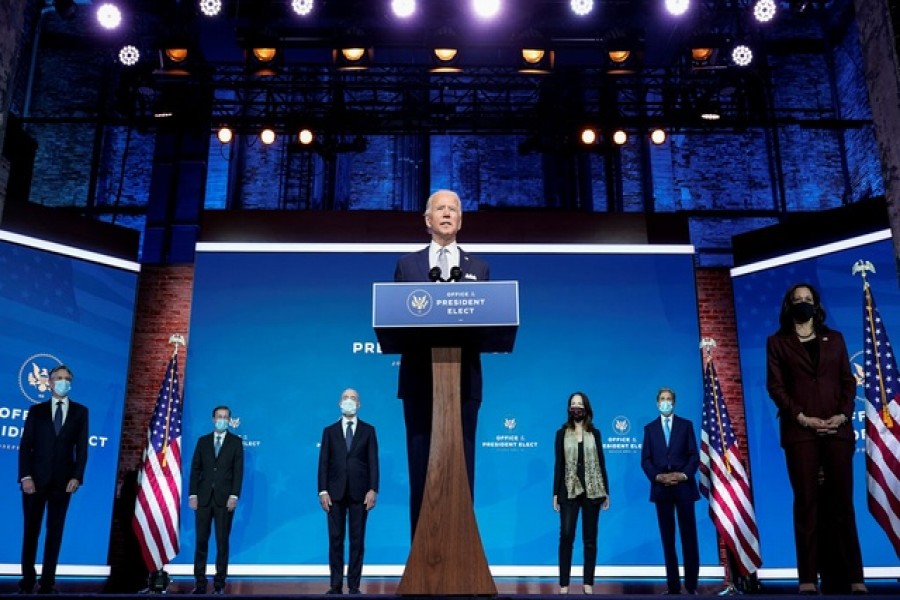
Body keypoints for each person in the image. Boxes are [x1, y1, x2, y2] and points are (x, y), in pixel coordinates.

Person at [393, 189, 490, 536]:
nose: (447, 214)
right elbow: (397, 323)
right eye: (440, 209)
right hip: (420, 384)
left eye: (454, 209)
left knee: (462, 472)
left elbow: (487, 326)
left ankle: (461, 556)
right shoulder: (408, 265)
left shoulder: (479, 268)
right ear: (427, 220)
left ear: (460, 220)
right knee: (422, 469)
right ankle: (420, 561)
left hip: (463, 385)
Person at [766, 283, 866, 595]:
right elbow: (776, 386)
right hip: (800, 433)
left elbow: (848, 382)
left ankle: (854, 577)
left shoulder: (834, 339)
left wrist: (842, 415)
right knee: (806, 504)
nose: (803, 304)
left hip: (837, 431)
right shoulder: (777, 342)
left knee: (842, 505)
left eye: (808, 299)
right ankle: (808, 578)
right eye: (798, 300)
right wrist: (802, 417)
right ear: (789, 305)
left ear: (816, 305)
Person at [17, 364, 89, 595]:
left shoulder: (80, 411)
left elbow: (82, 447)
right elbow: (25, 446)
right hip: (35, 482)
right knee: (31, 531)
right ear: (49, 382)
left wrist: (77, 476)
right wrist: (25, 476)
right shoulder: (36, 411)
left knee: (55, 532)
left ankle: (47, 583)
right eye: (59, 378)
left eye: (67, 379)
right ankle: (27, 581)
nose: (63, 382)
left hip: (63, 482)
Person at [317, 388, 379, 595]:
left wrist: (373, 489)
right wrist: (322, 491)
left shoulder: (369, 430)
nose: (349, 401)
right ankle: (335, 584)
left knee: (357, 540)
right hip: (334, 493)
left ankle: (354, 584)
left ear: (359, 404)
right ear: (339, 403)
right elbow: (323, 462)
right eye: (346, 398)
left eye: (353, 398)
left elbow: (373, 462)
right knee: (335, 539)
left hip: (360, 493)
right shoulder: (329, 431)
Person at [640, 388, 700, 595]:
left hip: (684, 487)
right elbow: (645, 460)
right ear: (657, 403)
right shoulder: (650, 429)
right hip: (661, 489)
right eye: (662, 399)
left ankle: (691, 586)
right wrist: (658, 477)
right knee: (668, 539)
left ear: (674, 403)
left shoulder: (686, 425)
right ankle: (673, 587)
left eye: (669, 399)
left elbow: (694, 456)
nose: (666, 402)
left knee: (688, 537)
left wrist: (682, 475)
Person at [552, 391, 610, 595]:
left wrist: (606, 492)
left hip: (593, 490)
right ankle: (564, 584)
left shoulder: (595, 434)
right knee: (566, 535)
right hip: (568, 489)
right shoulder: (561, 433)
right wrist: (555, 493)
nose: (576, 408)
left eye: (580, 404)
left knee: (590, 538)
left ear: (586, 408)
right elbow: (558, 464)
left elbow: (601, 463)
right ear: (569, 409)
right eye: (573, 404)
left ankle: (588, 582)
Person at [188, 406, 244, 595]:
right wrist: (193, 495)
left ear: (229, 420)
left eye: (225, 417)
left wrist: (234, 495)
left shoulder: (236, 442)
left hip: (224, 500)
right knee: (201, 542)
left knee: (222, 542)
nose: (222, 420)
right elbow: (195, 469)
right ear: (213, 419)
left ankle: (219, 583)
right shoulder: (202, 441)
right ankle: (200, 582)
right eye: (219, 417)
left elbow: (238, 472)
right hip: (203, 499)